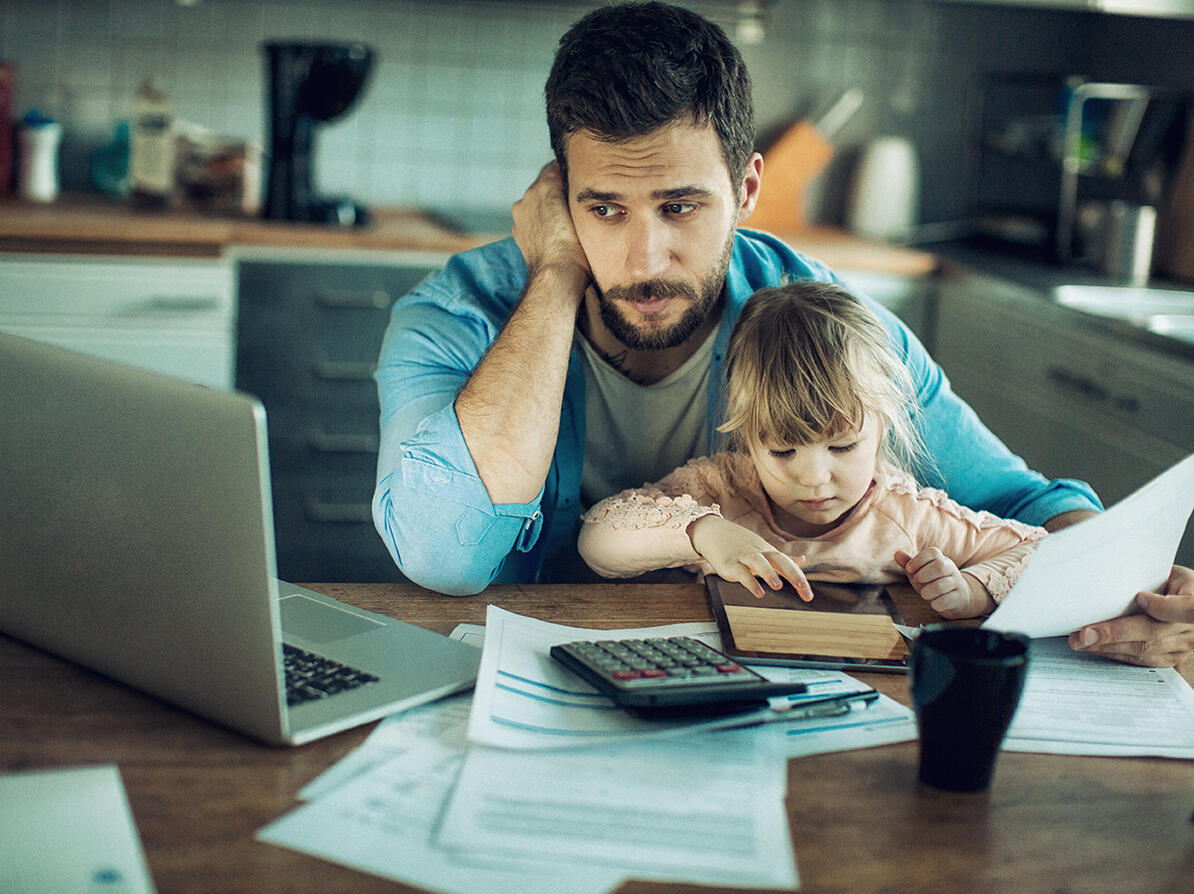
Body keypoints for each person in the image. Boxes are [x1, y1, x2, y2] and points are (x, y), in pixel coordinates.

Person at [371, 2, 1191, 667]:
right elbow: (445, 555)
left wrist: (1128, 594)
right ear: (559, 196)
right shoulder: (458, 315)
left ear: (748, 189)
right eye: (605, 208)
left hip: (763, 690)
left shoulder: (824, 326)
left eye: (682, 206)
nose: (644, 258)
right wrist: (553, 278)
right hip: (520, 680)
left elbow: (1030, 507)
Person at [579, 282, 1048, 618]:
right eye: (783, 452)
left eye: (842, 446)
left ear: (882, 429)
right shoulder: (722, 489)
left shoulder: (909, 517)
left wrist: (972, 590)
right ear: (748, 436)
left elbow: (1042, 552)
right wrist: (702, 532)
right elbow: (596, 542)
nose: (814, 477)